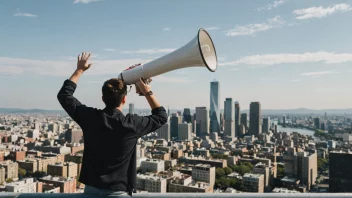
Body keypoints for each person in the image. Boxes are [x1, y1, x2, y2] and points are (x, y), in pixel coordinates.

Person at [57, 52, 168, 197]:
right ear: (124, 100)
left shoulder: (90, 118)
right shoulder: (132, 124)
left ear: (103, 98)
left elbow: (64, 95)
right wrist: (146, 91)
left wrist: (80, 69)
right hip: (119, 192)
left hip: (91, 191)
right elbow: (161, 116)